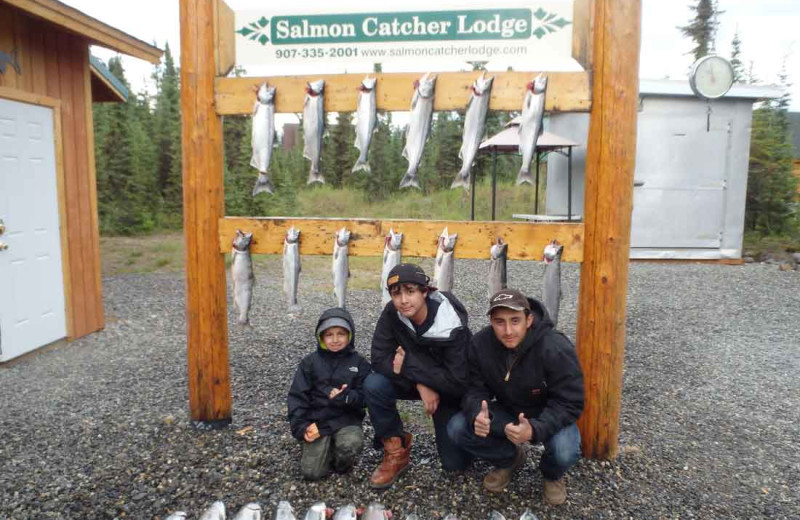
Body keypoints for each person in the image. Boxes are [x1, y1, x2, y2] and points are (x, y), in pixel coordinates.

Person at [447, 288, 584, 506]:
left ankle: (551, 474)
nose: (508, 330)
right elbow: (474, 389)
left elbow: (571, 401)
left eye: (515, 320)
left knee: (565, 450)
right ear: (491, 321)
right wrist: (476, 414)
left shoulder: (555, 346)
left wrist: (535, 428)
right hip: (508, 410)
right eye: (500, 322)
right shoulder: (480, 344)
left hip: (548, 413)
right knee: (457, 427)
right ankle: (509, 459)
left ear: (529, 320)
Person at [364, 263, 473, 489]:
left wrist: (411, 366)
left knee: (455, 464)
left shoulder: (451, 322)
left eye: (411, 291)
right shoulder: (392, 313)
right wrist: (420, 381)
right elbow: (379, 358)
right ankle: (395, 449)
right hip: (416, 381)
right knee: (374, 383)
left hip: (448, 389)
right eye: (396, 293)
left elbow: (459, 382)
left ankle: (477, 436)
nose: (404, 300)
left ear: (425, 291)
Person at [287, 307, 371, 480]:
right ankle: (319, 446)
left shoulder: (360, 363)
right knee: (312, 474)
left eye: (341, 333)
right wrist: (301, 428)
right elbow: (297, 397)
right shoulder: (308, 363)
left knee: (350, 445)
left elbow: (366, 398)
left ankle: (340, 460)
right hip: (316, 422)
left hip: (345, 421)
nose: (335, 339)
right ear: (321, 336)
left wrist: (348, 397)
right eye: (329, 334)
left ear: (350, 335)